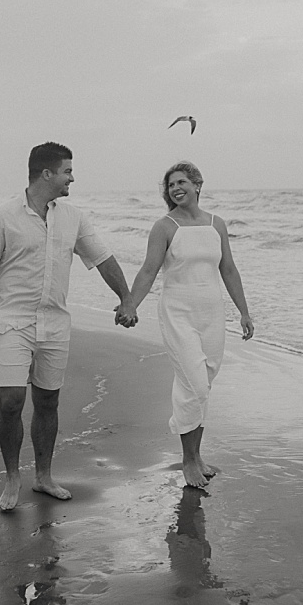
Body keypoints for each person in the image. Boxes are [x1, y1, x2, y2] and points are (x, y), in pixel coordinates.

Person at [0, 142, 136, 512]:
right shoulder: (1, 217)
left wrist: (126, 297)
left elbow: (102, 258)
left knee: (48, 400)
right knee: (11, 402)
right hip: (12, 321)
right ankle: (13, 477)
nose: (72, 178)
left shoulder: (73, 216)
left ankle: (43, 476)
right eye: (67, 171)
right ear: (46, 174)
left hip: (55, 323)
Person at [118, 162, 254, 489]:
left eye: (181, 182)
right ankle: (188, 461)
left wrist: (244, 312)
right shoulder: (164, 227)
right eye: (170, 185)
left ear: (197, 184)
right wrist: (130, 304)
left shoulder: (216, 224)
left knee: (202, 386)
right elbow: (149, 270)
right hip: (178, 313)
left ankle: (196, 455)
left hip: (212, 315)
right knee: (194, 385)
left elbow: (229, 270)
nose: (175, 188)